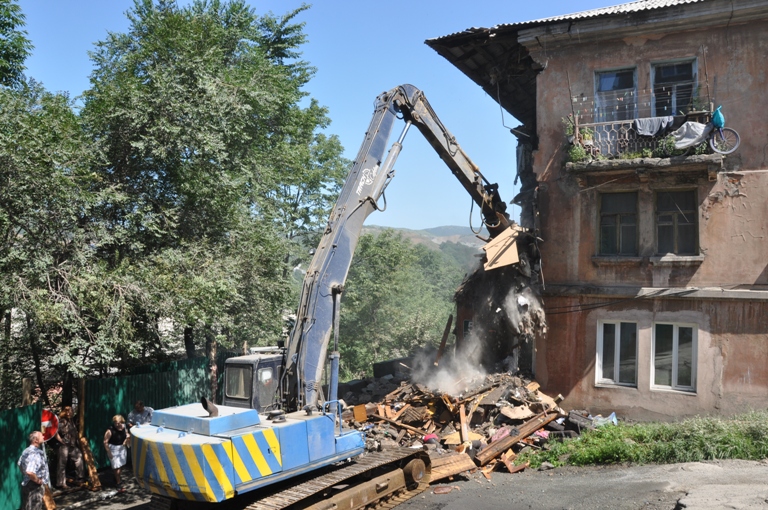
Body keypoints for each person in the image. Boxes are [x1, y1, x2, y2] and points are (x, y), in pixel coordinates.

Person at [53, 406, 85, 489]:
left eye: (71, 411)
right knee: (62, 463)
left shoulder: (71, 421)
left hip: (72, 445)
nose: (70, 412)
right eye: (68, 411)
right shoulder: (62, 421)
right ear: (65, 412)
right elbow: (55, 431)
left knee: (79, 457)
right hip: (64, 445)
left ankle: (79, 477)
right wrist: (60, 440)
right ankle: (61, 483)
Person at [18, 430, 50, 510]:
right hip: (34, 487)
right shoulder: (35, 453)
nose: (43, 437)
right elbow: (30, 472)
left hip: (27, 484)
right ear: (36, 440)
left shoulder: (26, 451)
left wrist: (25, 475)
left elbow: (19, 464)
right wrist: (38, 481)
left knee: (26, 507)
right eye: (41, 436)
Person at [103, 415, 130, 492]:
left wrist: (127, 437)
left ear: (122, 422)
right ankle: (118, 483)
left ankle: (116, 477)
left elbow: (127, 435)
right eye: (115, 423)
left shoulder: (124, 427)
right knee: (116, 467)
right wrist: (109, 452)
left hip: (122, 447)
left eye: (118, 423)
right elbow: (105, 442)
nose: (117, 424)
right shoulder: (110, 430)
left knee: (122, 464)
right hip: (113, 449)